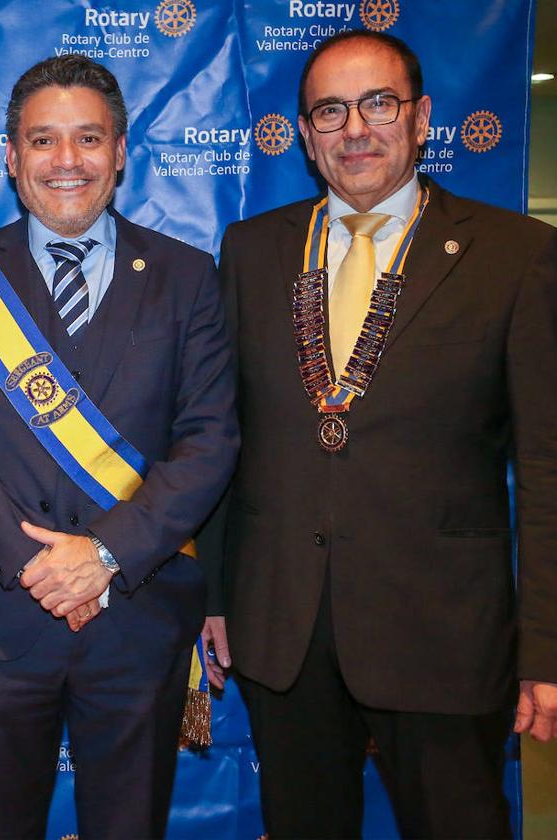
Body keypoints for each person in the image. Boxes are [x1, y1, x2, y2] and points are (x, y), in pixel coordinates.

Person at [199, 30, 557, 838]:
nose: (354, 129)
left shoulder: (517, 255)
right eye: (330, 111)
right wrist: (218, 595)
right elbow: (223, 433)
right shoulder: (253, 252)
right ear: (304, 134)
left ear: (423, 117)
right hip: (282, 624)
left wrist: (546, 649)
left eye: (378, 104)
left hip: (442, 632)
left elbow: (545, 468)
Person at [0, 55, 238, 839]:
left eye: (88, 139)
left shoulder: (188, 278)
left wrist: (105, 555)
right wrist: (34, 564)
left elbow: (208, 437)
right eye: (43, 141)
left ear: (120, 152)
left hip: (137, 616)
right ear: (12, 157)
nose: (66, 162)